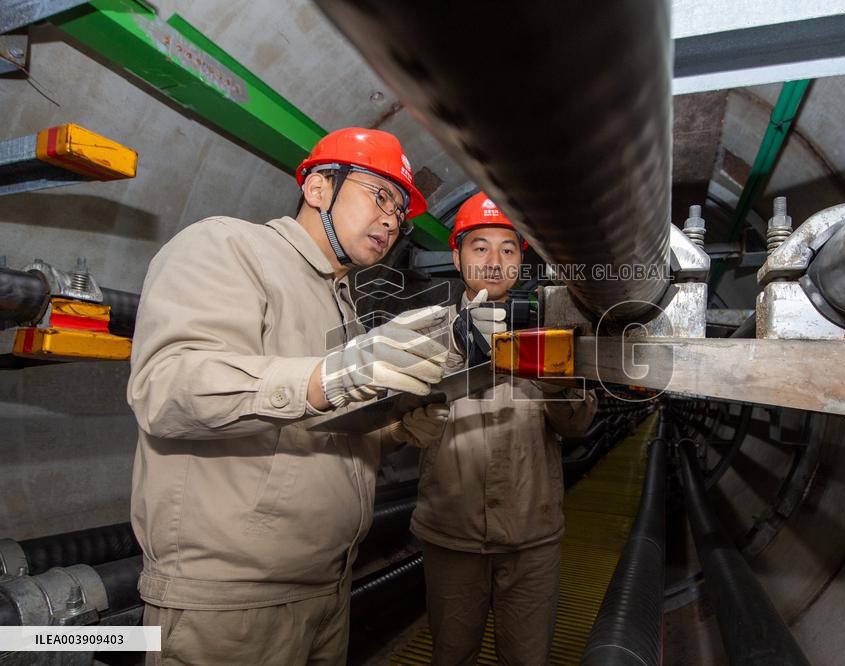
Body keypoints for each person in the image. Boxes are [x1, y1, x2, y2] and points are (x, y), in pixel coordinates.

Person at [128, 128, 451, 665]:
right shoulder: (230, 247)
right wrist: (333, 375)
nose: (393, 220)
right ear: (319, 187)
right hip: (233, 610)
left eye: (400, 211)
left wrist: (392, 430)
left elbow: (313, 433)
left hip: (327, 592)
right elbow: (168, 388)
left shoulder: (343, 304)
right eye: (379, 195)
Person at [410, 192, 598, 665]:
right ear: (456, 255)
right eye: (480, 247)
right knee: (451, 655)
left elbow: (577, 423)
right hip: (451, 534)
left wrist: (556, 379)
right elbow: (395, 423)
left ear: (521, 259)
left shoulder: (550, 332)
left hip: (530, 537)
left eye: (508, 249)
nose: (495, 261)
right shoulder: (424, 332)